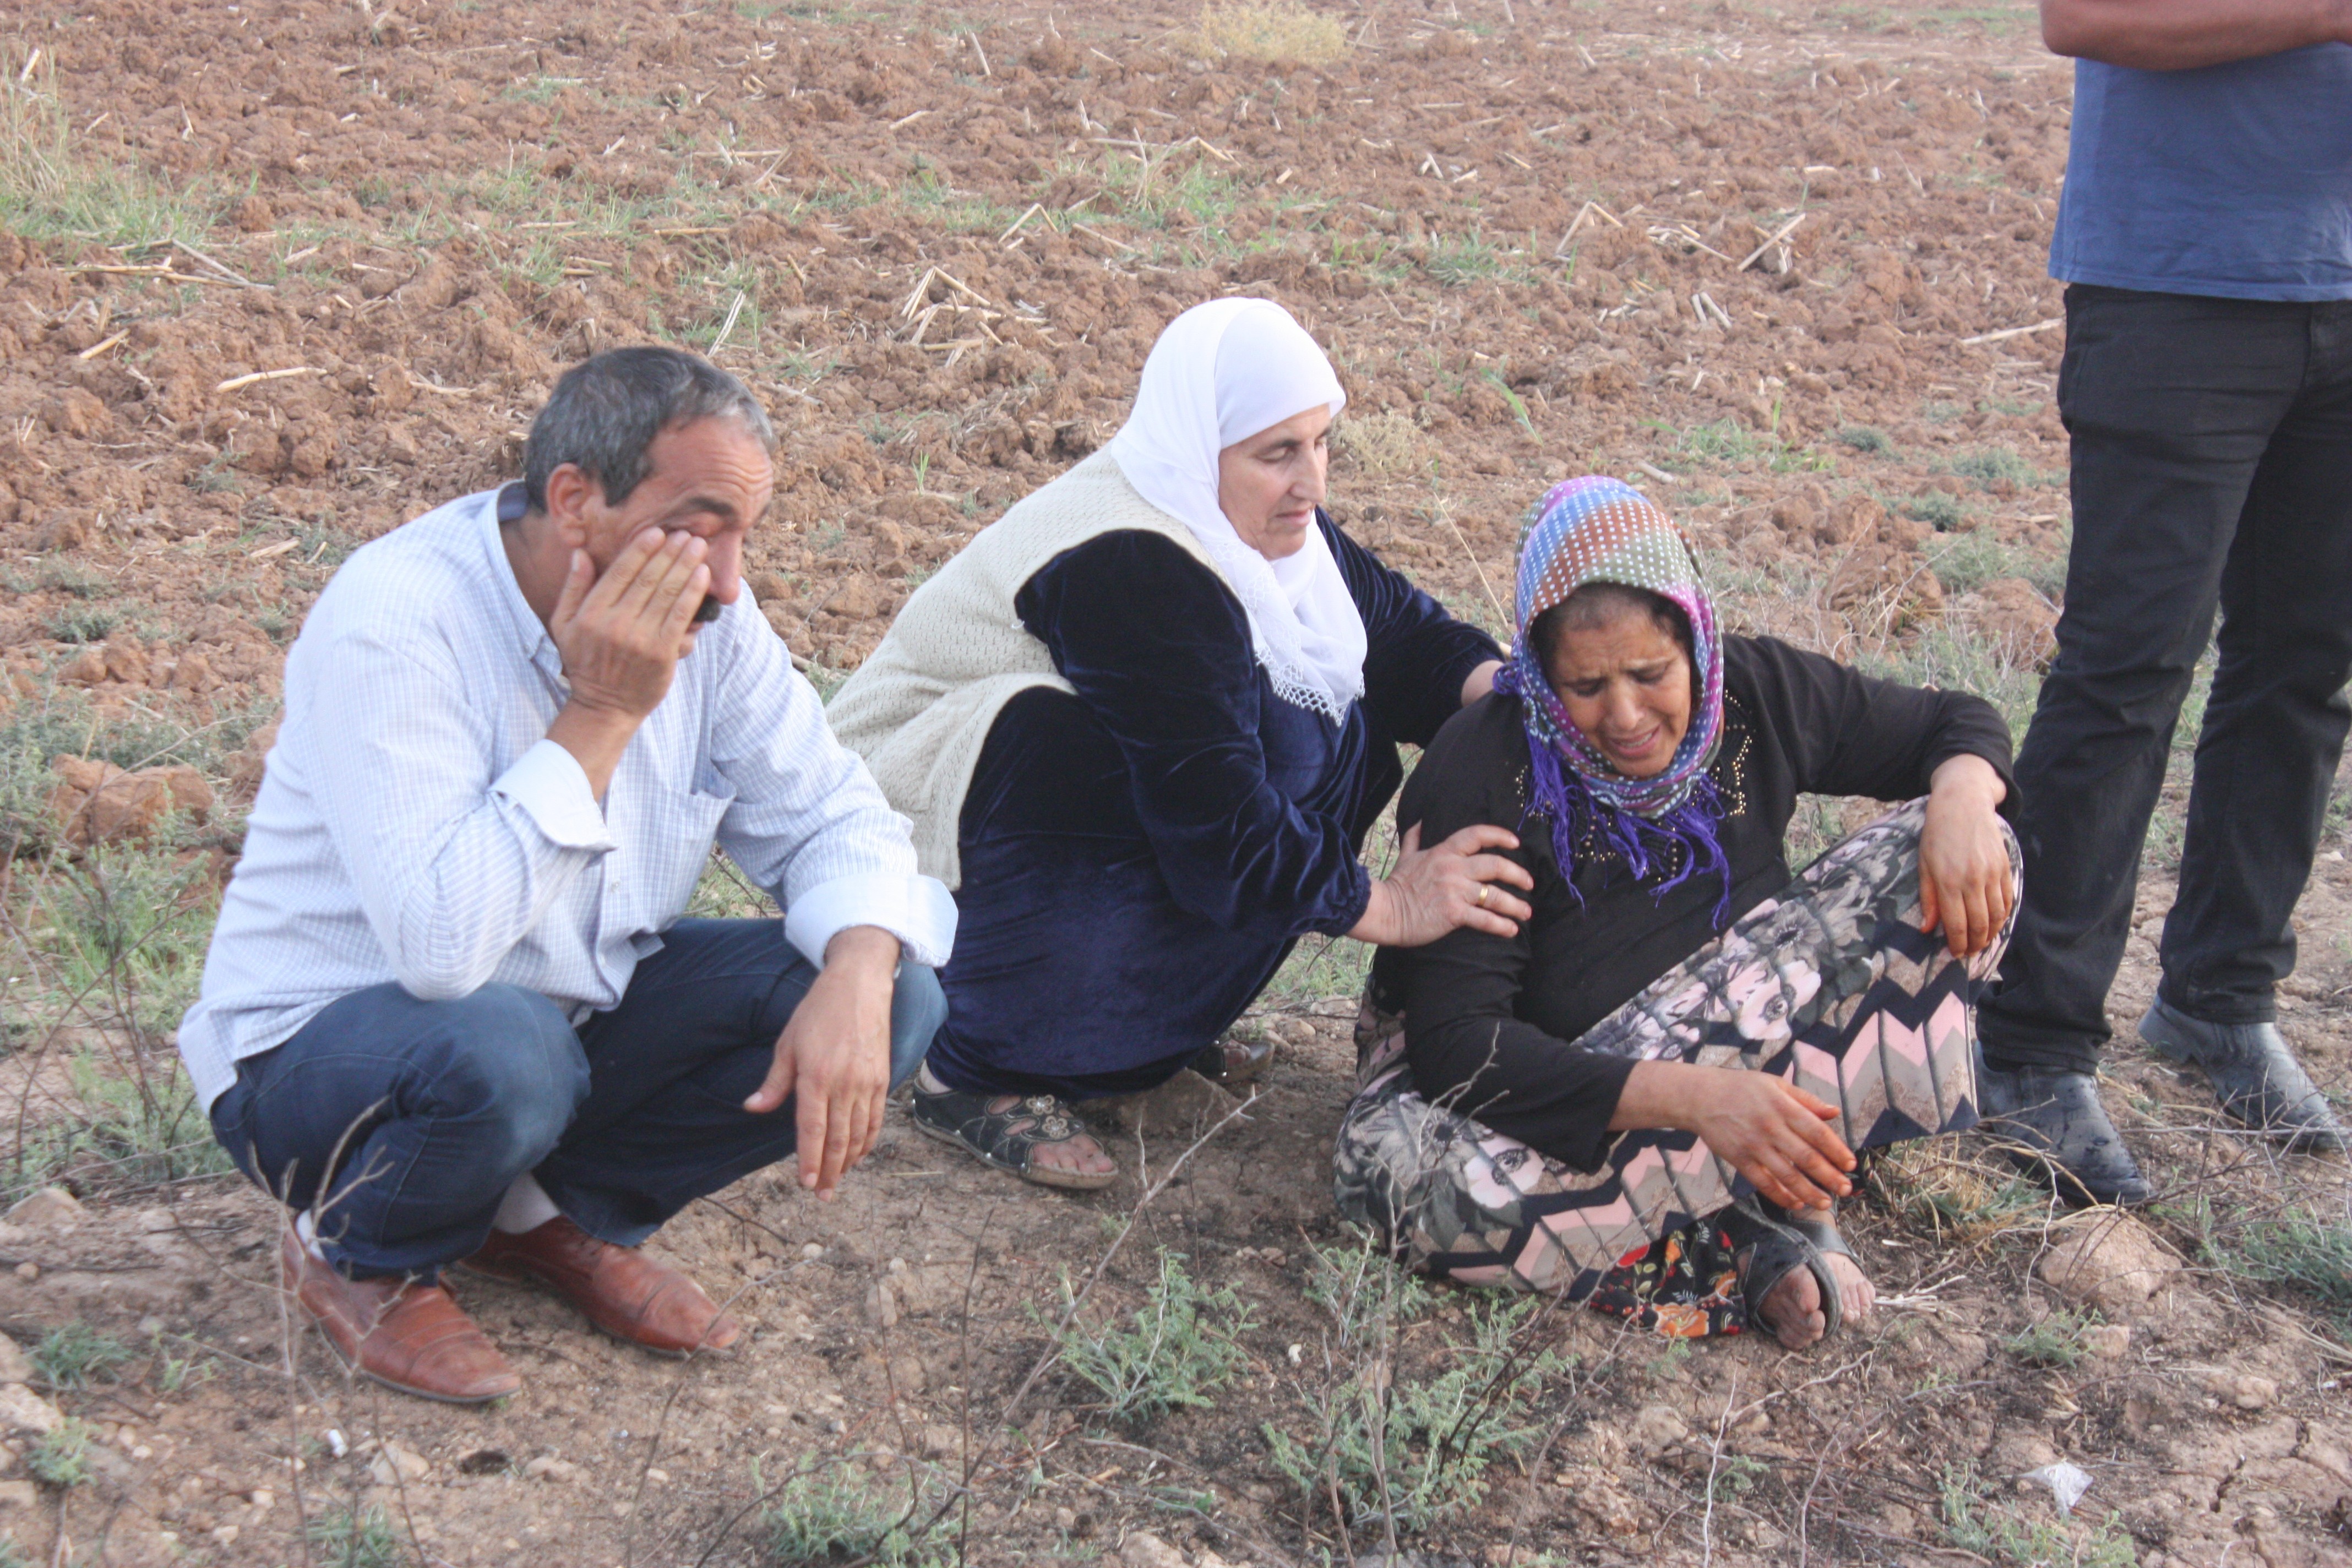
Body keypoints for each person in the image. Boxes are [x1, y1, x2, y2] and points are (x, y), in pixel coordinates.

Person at [179, 348, 955, 1403]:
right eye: (698, 524)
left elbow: (833, 816)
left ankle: (537, 1214)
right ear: (575, 500)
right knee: (506, 1046)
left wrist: (861, 969)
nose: (727, 579)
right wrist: (600, 713)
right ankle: (358, 1248)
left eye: (742, 535)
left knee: (892, 990)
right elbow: (444, 949)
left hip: (562, 1029)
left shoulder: (713, 619)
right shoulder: (401, 619)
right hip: (320, 1059)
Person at [827, 298, 1525, 1190]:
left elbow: (1407, 643)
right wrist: (1391, 906)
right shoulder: (1131, 559)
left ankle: (1121, 1046)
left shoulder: (1269, 529)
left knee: (1338, 732)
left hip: (1062, 838)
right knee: (1070, 744)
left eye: (1321, 443)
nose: (1311, 481)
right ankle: (975, 1062)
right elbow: (1219, 828)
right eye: (1278, 453)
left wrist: (1531, 702)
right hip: (893, 840)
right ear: (1205, 448)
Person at [1334, 479, 2018, 1348]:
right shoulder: (1486, 767)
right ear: (1539, 674)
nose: (1624, 716)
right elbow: (1462, 1047)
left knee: (1966, 846)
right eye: (1583, 686)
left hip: (1745, 1052)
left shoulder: (1756, 695)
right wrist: (1699, 1101)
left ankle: (1769, 1176)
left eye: (1650, 674)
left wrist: (1961, 795)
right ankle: (1737, 1247)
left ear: (1694, 638)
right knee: (1395, 1183)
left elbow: (1951, 725)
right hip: (1554, 1096)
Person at [1973, 0, 2352, 1208]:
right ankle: (2030, 1042)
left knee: (2307, 663)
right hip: (2178, 287)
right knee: (2130, 671)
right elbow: (2083, 18)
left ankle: (2219, 998)